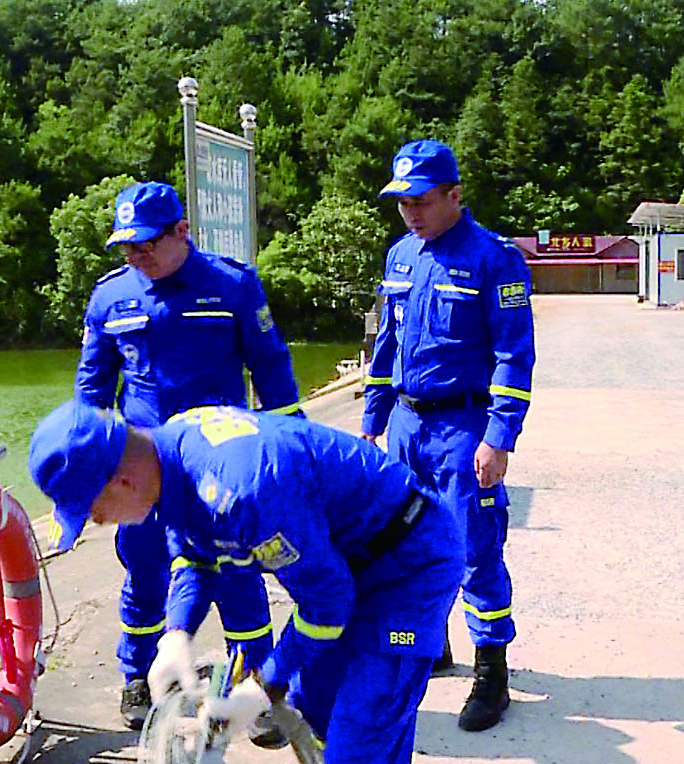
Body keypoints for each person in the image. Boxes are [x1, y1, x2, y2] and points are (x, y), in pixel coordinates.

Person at [28, 401, 462, 764]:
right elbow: (195, 555)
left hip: (409, 565)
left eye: (94, 511)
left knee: (362, 732)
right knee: (316, 707)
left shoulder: (244, 491)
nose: (99, 521)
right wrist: (176, 633)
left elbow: (328, 603)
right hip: (342, 561)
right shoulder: (168, 456)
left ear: (122, 481)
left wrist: (263, 684)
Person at [72, 180, 302, 730]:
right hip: (142, 469)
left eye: (147, 243)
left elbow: (271, 367)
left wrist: (291, 453)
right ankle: (138, 674)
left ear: (182, 231)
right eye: (127, 246)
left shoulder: (231, 285)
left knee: (237, 572)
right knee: (146, 569)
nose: (137, 255)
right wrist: (87, 468)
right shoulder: (110, 297)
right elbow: (92, 391)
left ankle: (256, 686)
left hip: (221, 465)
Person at [362, 139, 535, 732]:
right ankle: (428, 644)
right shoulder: (400, 256)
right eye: (402, 202)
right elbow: (385, 345)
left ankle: (492, 671)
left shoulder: (494, 259)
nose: (410, 212)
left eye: (421, 201)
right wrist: (374, 418)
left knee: (473, 548)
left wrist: (499, 437)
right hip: (406, 425)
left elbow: (514, 354)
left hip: (463, 427)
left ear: (454, 195)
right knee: (406, 544)